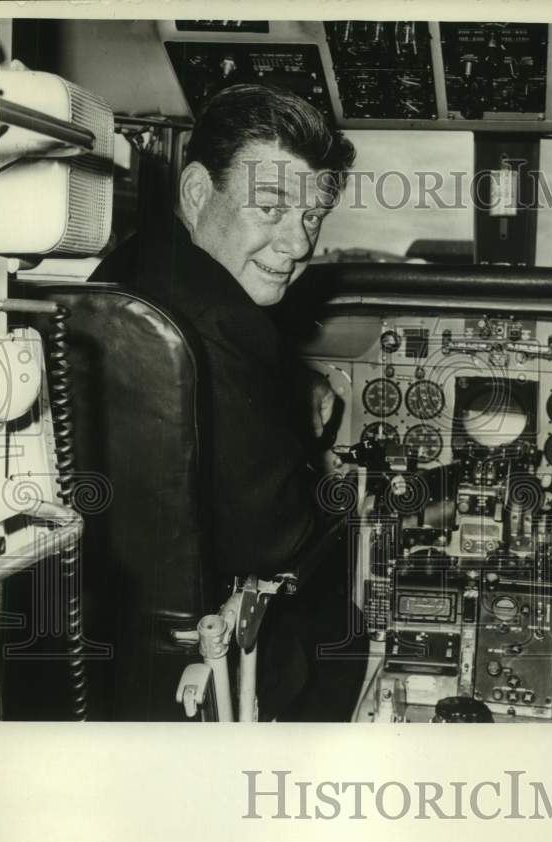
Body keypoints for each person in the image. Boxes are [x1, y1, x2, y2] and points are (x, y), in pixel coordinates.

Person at [90, 85, 362, 719]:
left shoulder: (130, 264)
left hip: (107, 637)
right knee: (346, 629)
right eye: (270, 208)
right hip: (196, 658)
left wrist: (293, 390)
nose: (298, 245)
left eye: (312, 217)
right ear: (195, 192)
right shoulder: (226, 320)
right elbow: (277, 541)